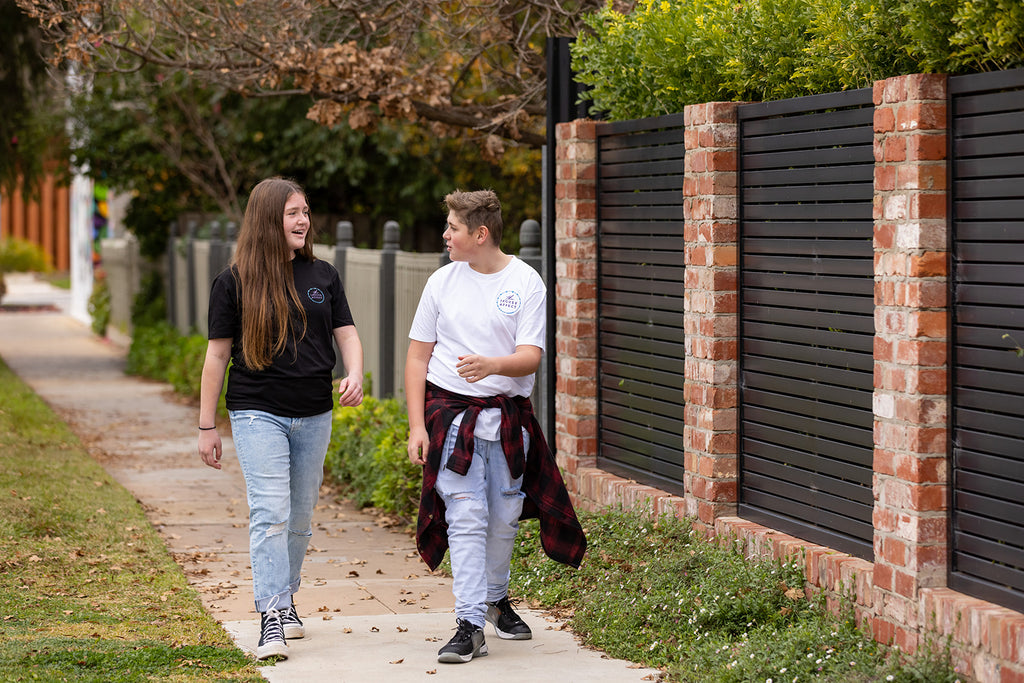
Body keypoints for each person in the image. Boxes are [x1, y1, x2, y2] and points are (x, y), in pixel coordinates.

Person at [405, 189, 586, 665]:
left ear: (479, 234)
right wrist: (415, 426)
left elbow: (532, 356)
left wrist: (491, 365)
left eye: (453, 228)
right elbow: (417, 357)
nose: (445, 235)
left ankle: (494, 598)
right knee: (465, 518)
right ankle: (468, 624)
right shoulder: (441, 282)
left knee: (504, 517)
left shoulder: (526, 282)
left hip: (509, 418)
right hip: (450, 416)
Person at [197, 177, 363, 660]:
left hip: (314, 412)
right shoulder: (233, 282)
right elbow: (217, 356)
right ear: (270, 218)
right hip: (256, 412)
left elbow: (347, 334)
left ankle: (286, 596)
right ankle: (270, 614)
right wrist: (207, 426)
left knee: (300, 516)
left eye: (306, 212)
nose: (303, 220)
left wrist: (355, 372)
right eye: (293, 212)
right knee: (270, 512)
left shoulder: (323, 275)